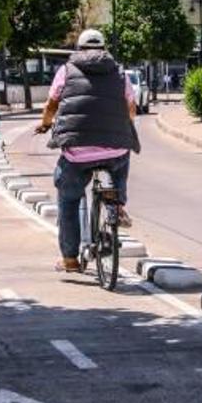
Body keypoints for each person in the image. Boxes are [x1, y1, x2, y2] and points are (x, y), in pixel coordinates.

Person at [36, 29, 140, 273]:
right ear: (104, 48)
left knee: (69, 198)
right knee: (121, 158)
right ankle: (116, 204)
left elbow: (52, 103)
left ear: (79, 49)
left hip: (77, 152)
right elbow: (131, 107)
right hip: (114, 149)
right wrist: (124, 127)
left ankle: (70, 259)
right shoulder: (119, 72)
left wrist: (45, 123)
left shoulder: (66, 70)